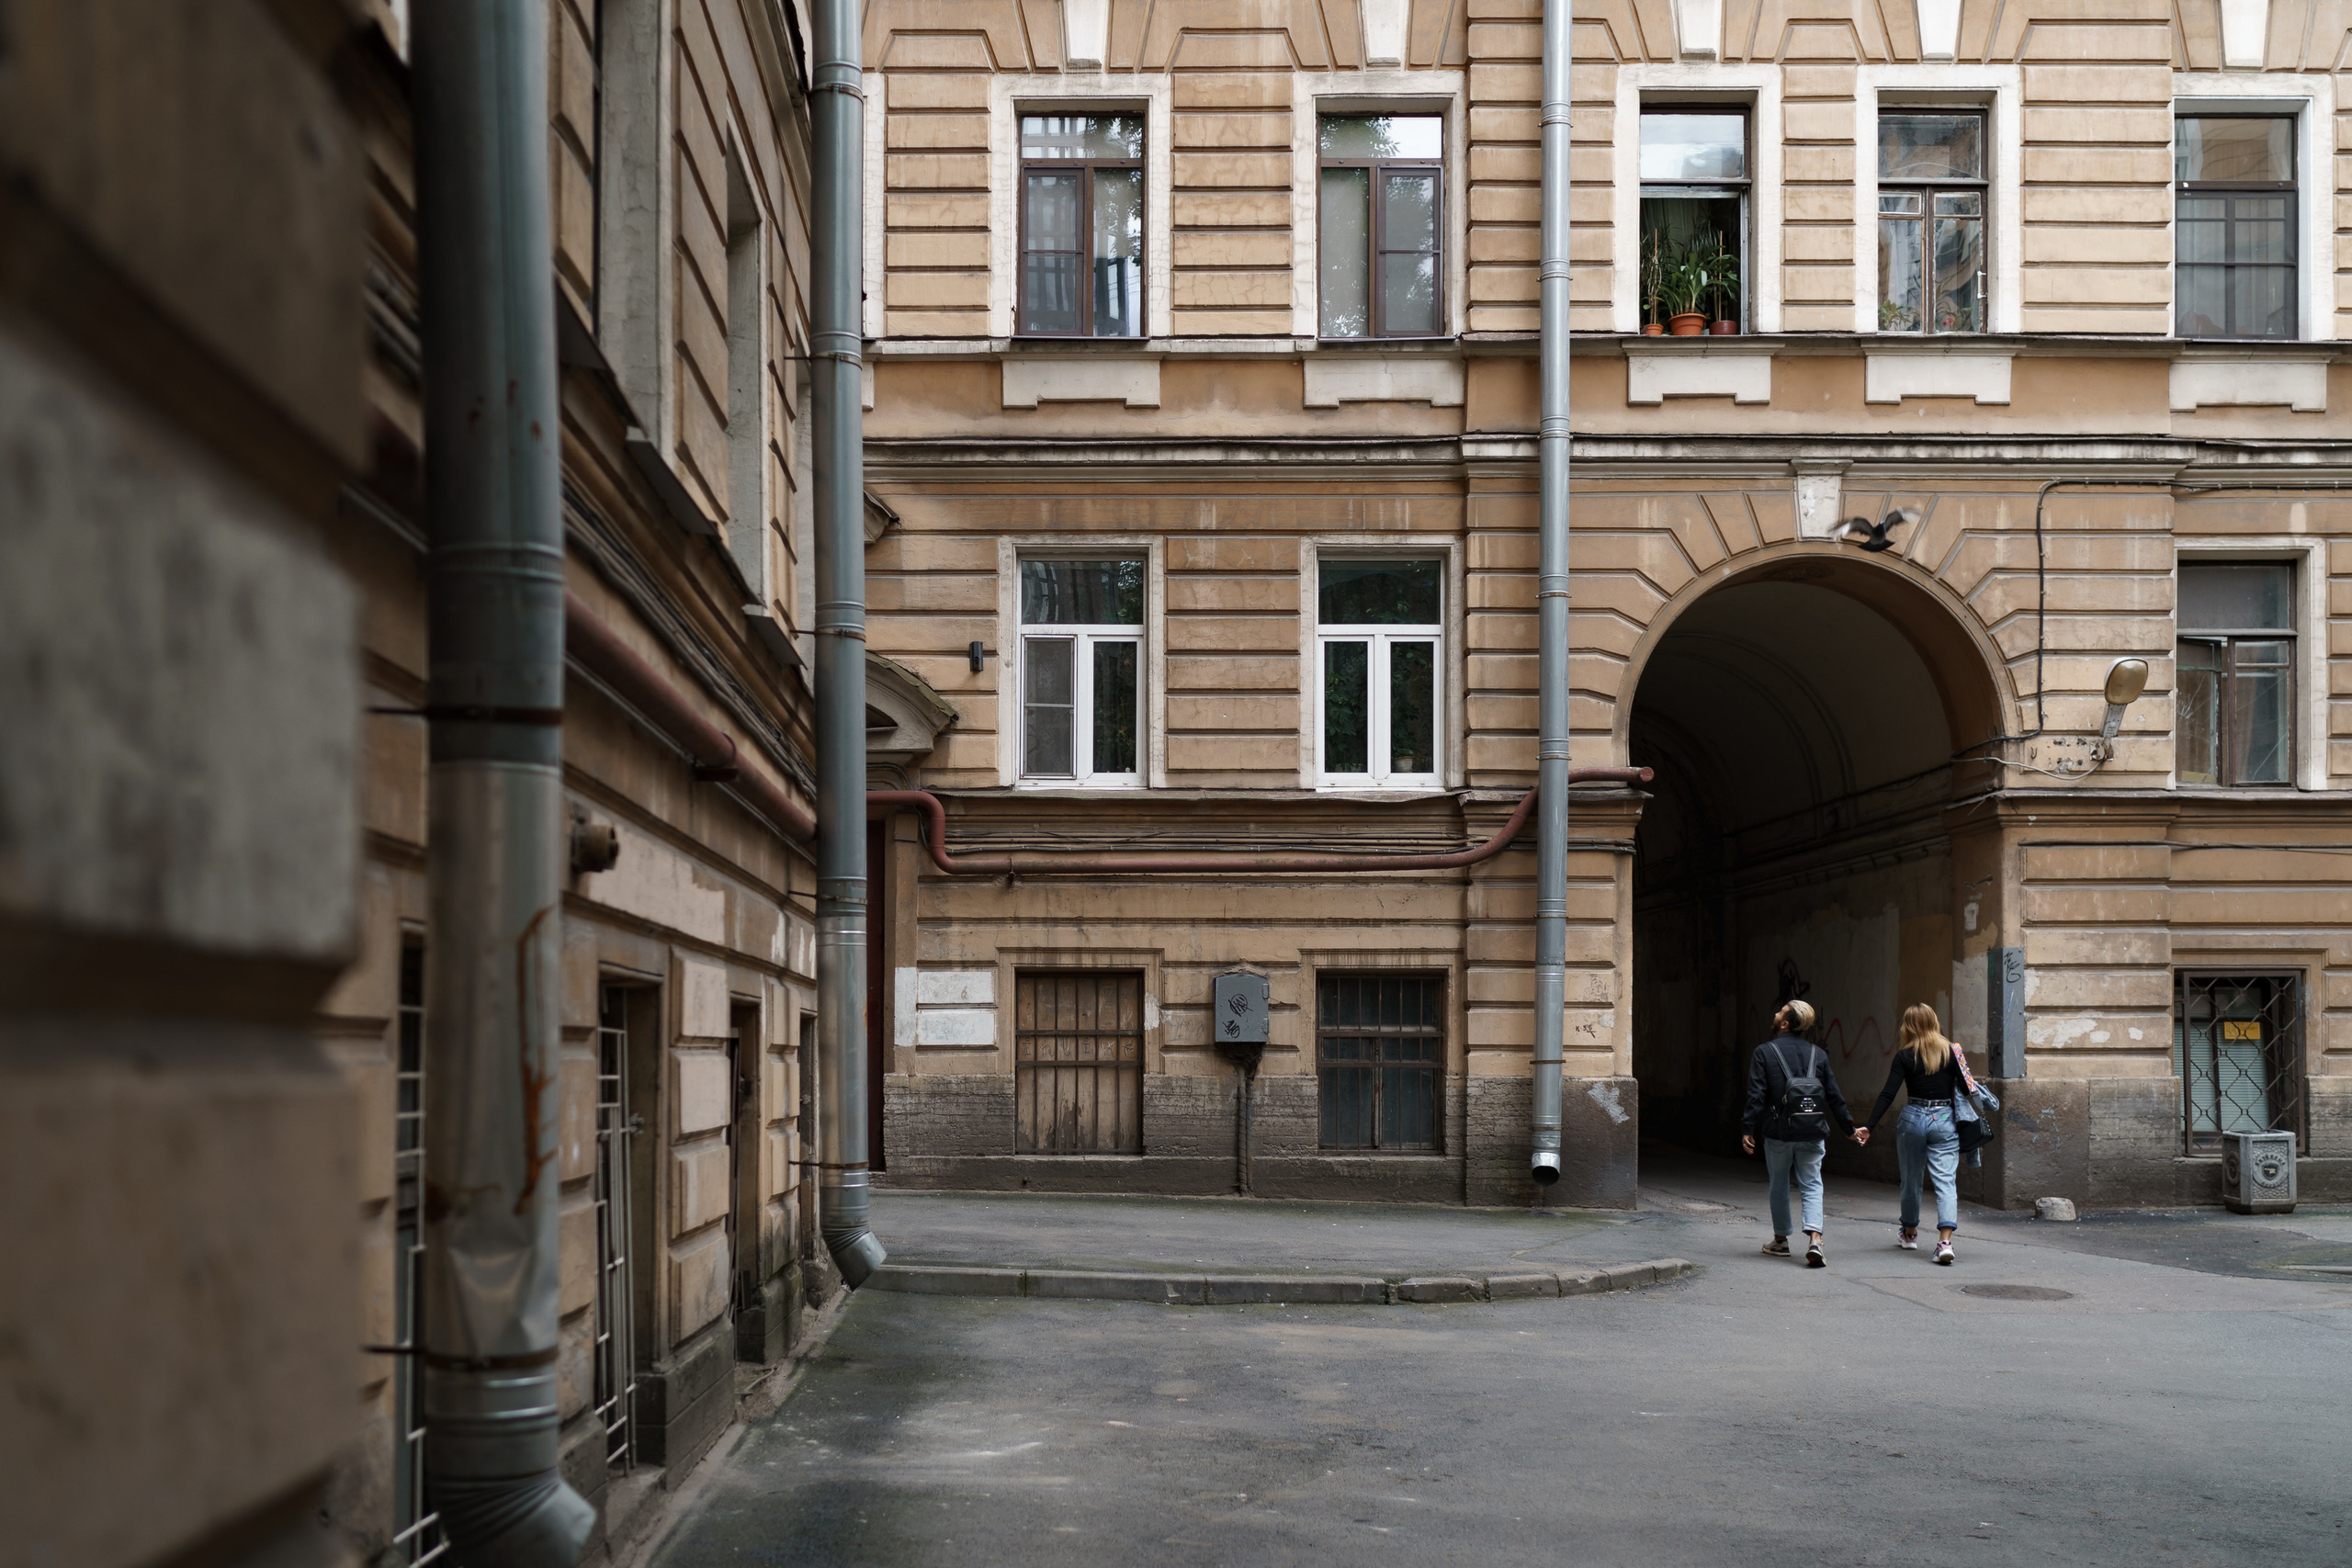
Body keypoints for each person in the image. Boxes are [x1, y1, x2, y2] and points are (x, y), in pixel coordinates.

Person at [1740, 999, 1866, 1267]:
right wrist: (1848, 1129)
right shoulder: (1818, 1055)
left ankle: (1781, 1241)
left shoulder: (1764, 1052)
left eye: (1780, 1010)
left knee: (1779, 1184)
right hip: (1812, 1132)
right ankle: (1815, 1240)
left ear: (1785, 1023)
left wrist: (1748, 1128)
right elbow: (1834, 1095)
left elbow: (1756, 1095)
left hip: (1777, 1133)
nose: (1775, 1012)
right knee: (1812, 1183)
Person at [1863, 1003, 1970, 1264]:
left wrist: (1870, 1126)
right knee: (1945, 1181)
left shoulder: (1904, 1056)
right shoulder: (1953, 1052)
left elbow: (1888, 1093)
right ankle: (1945, 1243)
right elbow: (1967, 1090)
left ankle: (1910, 1234)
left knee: (1910, 1180)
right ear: (1934, 1022)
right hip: (1944, 1119)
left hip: (1913, 1117)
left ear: (1908, 1026)